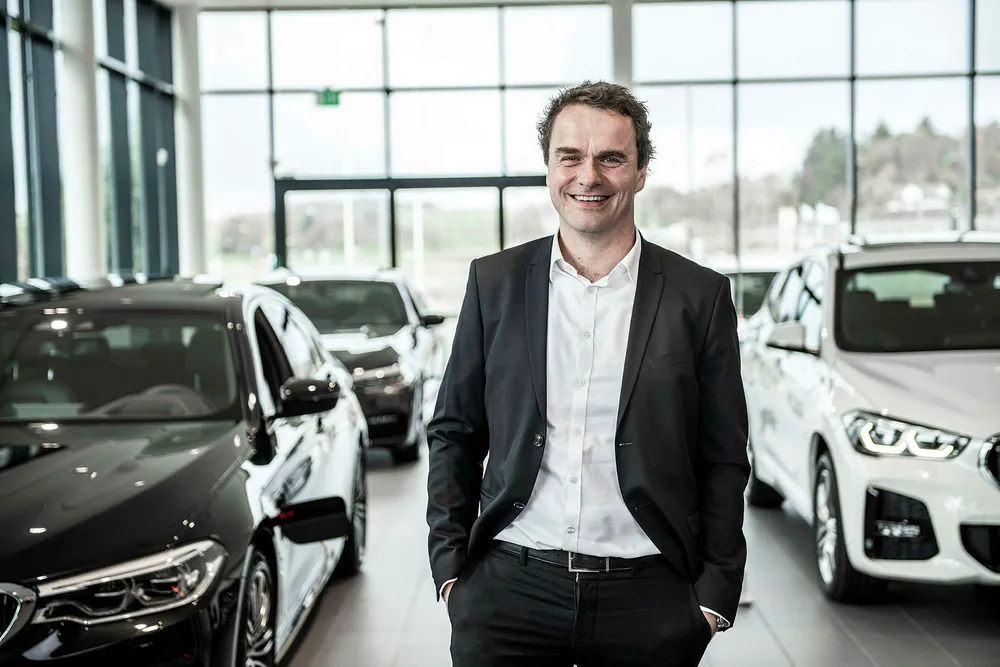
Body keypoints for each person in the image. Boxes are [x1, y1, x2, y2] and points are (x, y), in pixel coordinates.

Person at [426, 80, 750, 667]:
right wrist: (451, 570)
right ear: (549, 168)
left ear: (642, 171)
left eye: (611, 158)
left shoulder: (698, 296)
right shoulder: (493, 284)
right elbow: (455, 430)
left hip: (651, 598)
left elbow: (723, 455)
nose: (588, 176)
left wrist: (714, 594)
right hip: (507, 593)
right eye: (570, 157)